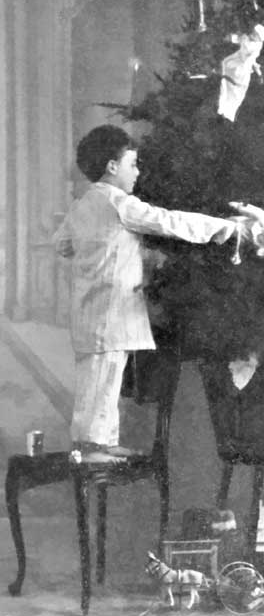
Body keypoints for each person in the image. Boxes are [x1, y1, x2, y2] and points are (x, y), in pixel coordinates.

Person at [53, 124, 240, 462]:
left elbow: (62, 244)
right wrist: (223, 227)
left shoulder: (82, 205)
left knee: (98, 380)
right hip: (112, 311)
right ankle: (92, 447)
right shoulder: (120, 203)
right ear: (112, 166)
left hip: (89, 309)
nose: (137, 172)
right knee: (104, 380)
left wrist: (100, 252)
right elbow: (168, 221)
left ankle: (101, 442)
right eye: (132, 164)